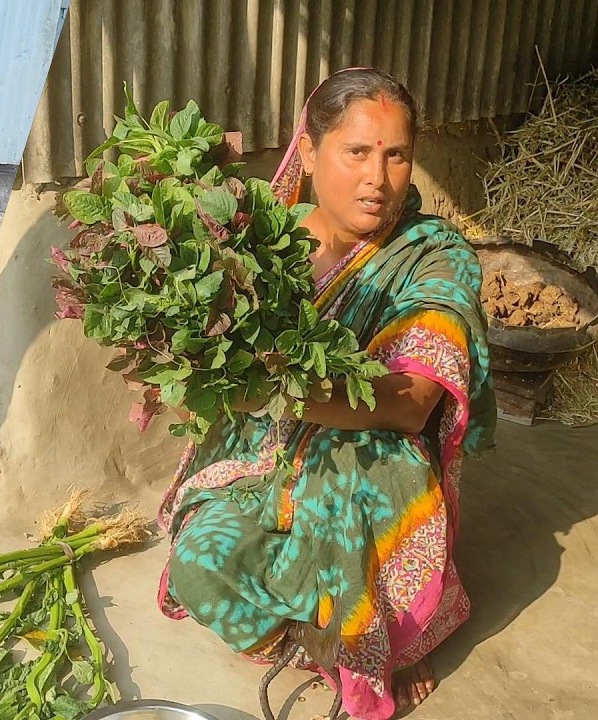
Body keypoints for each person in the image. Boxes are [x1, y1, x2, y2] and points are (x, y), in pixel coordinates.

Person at [155, 68, 496, 720]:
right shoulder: (256, 244)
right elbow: (206, 391)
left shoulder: (433, 256)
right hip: (266, 455)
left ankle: (385, 637)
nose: (379, 176)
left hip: (375, 457)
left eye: (396, 155)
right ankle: (314, 637)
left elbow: (412, 402)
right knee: (197, 571)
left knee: (355, 517)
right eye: (358, 152)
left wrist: (285, 387)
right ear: (309, 152)